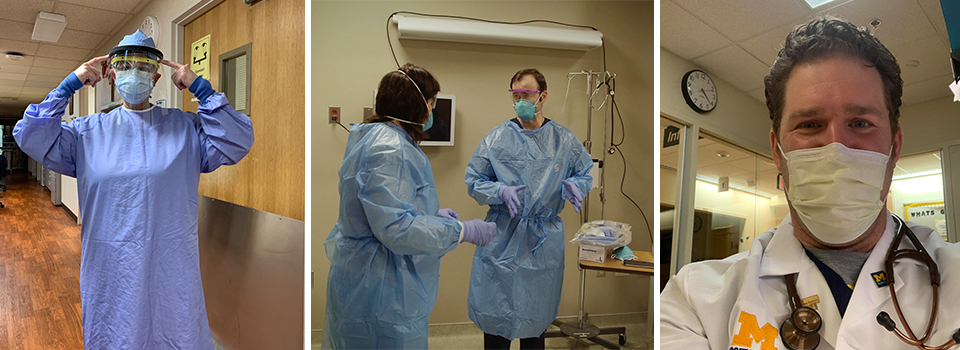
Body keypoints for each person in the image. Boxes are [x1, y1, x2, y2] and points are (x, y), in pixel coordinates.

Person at [660, 17, 960, 350]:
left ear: (895, 147)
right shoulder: (696, 299)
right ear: (777, 150)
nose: (837, 149)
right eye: (810, 124)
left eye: (861, 122)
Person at [13, 30, 253, 349]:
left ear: (156, 78)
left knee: (175, 330)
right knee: (115, 333)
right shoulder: (86, 134)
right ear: (112, 74)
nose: (134, 74)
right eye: (125, 66)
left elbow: (237, 140)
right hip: (110, 267)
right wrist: (69, 84)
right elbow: (30, 135)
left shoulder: (185, 128)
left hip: (170, 266)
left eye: (142, 67)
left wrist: (201, 88)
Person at [321, 63, 497, 349]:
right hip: (381, 286)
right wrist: (461, 231)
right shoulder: (391, 148)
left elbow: (380, 206)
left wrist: (429, 213)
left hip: (363, 277)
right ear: (416, 104)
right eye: (430, 103)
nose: (431, 111)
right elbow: (397, 229)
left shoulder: (370, 136)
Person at [464, 68, 593, 349]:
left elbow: (585, 172)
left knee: (535, 324)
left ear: (542, 96)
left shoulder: (564, 140)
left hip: (541, 241)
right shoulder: (498, 138)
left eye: (526, 93)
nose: (520, 99)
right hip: (502, 236)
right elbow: (473, 180)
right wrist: (499, 190)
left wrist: (576, 185)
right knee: (497, 320)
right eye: (516, 94)